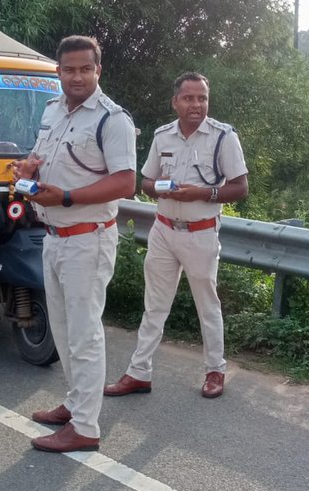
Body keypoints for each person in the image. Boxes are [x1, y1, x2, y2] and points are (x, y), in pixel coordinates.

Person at [14, 35, 137, 453]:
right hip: (52, 237)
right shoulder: (53, 111)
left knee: (85, 334)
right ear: (58, 71)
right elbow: (42, 158)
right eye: (69, 69)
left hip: (87, 239)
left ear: (98, 71)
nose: (78, 76)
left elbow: (125, 182)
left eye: (86, 68)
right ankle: (74, 402)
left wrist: (66, 197)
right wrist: (26, 169)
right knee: (64, 330)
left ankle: (85, 427)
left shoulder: (111, 119)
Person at [105, 71, 248, 401]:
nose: (196, 104)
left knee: (207, 305)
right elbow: (145, 182)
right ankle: (138, 373)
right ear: (175, 102)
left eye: (202, 98)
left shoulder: (224, 137)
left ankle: (215, 370)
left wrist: (202, 193)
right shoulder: (163, 135)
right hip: (164, 230)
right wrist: (160, 189)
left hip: (200, 234)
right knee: (154, 305)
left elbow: (240, 187)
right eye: (189, 98)